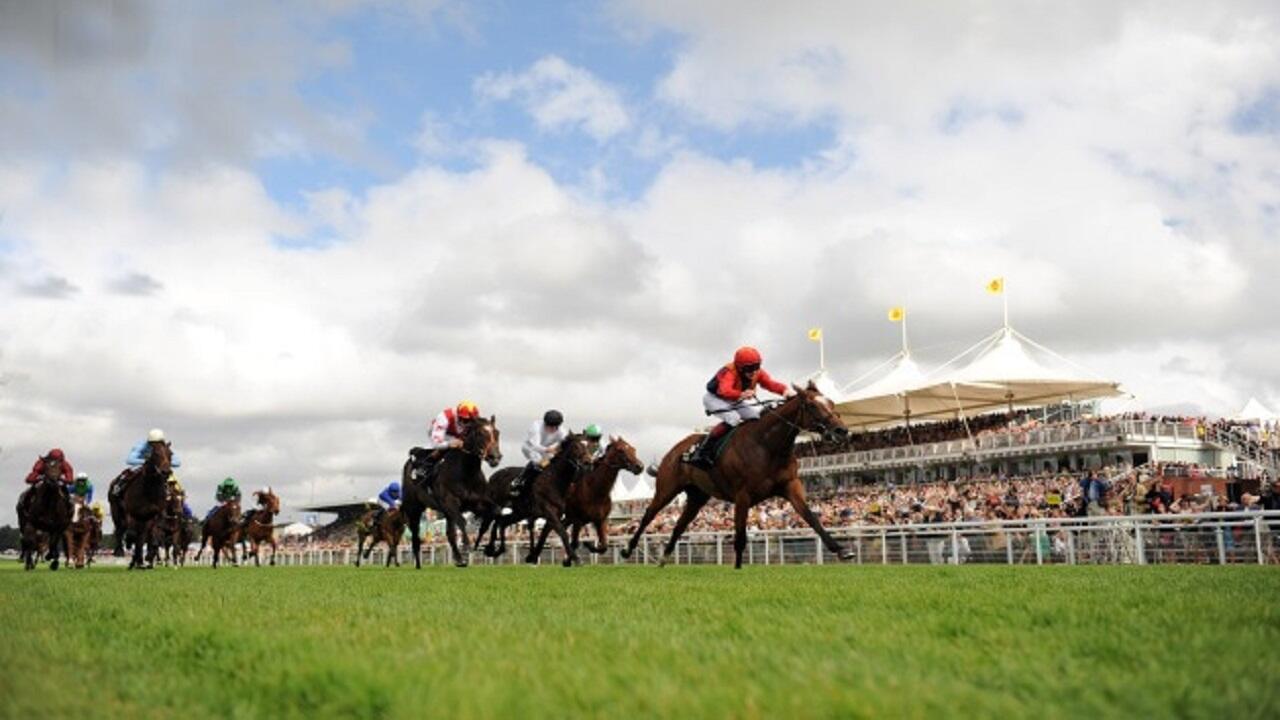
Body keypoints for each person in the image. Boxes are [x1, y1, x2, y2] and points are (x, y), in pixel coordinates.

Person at [684, 346, 794, 469]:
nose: (753, 372)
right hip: (715, 399)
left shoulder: (757, 373)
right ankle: (704, 450)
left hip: (734, 400)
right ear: (740, 367)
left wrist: (785, 391)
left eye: (756, 367)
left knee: (755, 417)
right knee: (734, 419)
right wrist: (742, 394)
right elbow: (724, 390)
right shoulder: (730, 372)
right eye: (749, 368)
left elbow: (770, 384)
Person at [411, 401, 482, 484]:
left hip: (457, 434)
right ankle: (424, 468)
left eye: (472, 421)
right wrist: (449, 444)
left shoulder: (470, 421)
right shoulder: (443, 418)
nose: (468, 424)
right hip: (442, 434)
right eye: (466, 421)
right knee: (445, 449)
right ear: (459, 417)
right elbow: (436, 443)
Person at [512, 410, 568, 497]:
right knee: (539, 463)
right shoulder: (536, 427)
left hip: (546, 450)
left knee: (552, 462)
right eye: (549, 426)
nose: (551, 429)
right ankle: (520, 480)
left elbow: (566, 444)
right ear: (545, 423)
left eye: (554, 427)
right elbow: (535, 446)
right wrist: (550, 450)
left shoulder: (562, 431)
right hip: (530, 448)